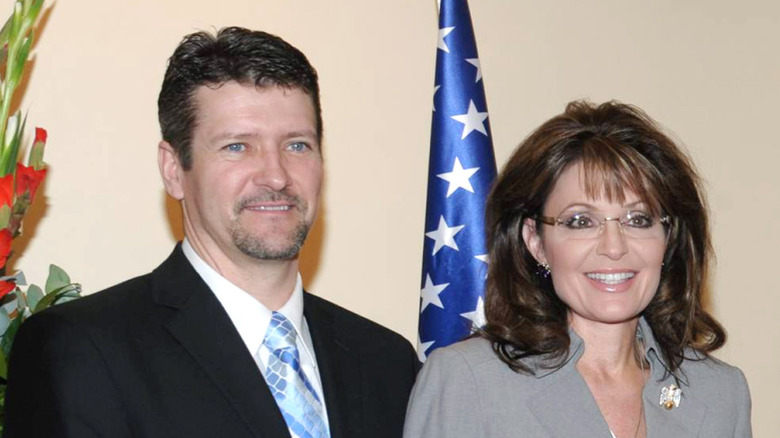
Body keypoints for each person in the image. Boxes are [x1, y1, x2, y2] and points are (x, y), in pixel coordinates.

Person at [5, 27, 419, 438]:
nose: (276, 176)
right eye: (237, 146)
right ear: (173, 170)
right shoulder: (82, 351)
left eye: (297, 145)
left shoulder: (387, 362)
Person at [403, 100, 751, 438]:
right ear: (535, 241)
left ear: (669, 237)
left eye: (638, 219)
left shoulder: (721, 394)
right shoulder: (469, 381)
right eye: (581, 221)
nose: (614, 247)